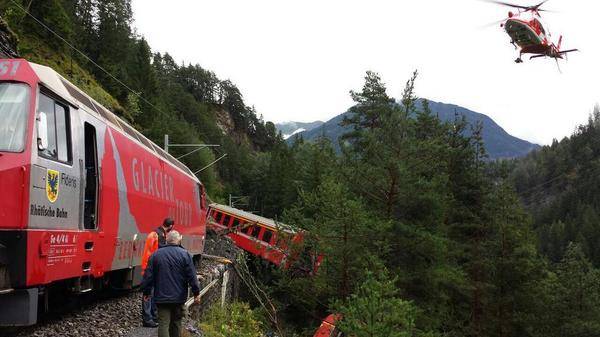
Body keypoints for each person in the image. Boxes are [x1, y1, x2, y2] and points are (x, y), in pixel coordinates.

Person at [141, 230, 201, 337]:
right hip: (179, 297)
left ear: (166, 240)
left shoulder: (156, 255)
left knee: (163, 324)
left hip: (161, 297)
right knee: (176, 323)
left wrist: (146, 293)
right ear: (179, 240)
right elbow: (192, 276)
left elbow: (148, 277)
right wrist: (196, 293)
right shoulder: (185, 255)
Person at [140, 218, 175, 328]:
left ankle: (152, 316)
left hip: (150, 267)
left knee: (152, 293)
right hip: (152, 269)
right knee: (149, 294)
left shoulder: (155, 234)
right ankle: (148, 318)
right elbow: (158, 253)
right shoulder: (158, 236)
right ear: (170, 226)